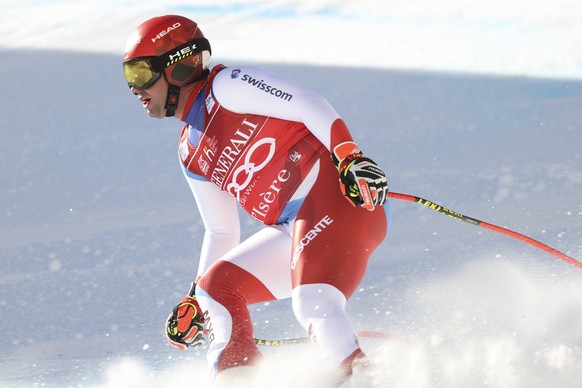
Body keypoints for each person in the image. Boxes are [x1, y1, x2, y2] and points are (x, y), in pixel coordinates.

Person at [123, 14, 389, 385]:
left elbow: (308, 103)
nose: (134, 88)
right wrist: (194, 302)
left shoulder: (227, 87)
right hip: (296, 227)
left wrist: (348, 155)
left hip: (337, 196)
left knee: (312, 302)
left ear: (178, 65)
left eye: (140, 73)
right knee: (215, 290)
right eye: (128, 76)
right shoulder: (189, 151)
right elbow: (219, 230)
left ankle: (367, 378)